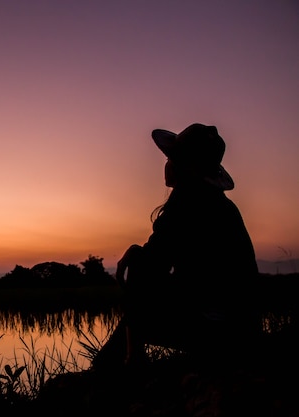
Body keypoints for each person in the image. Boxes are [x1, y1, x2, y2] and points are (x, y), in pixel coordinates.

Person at [94, 123, 261, 369]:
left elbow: (150, 268)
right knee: (142, 272)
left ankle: (132, 362)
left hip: (217, 334)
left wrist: (136, 254)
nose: (167, 164)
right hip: (240, 330)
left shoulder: (186, 207)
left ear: (184, 168)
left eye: (172, 159)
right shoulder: (222, 206)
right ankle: (112, 363)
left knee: (140, 268)